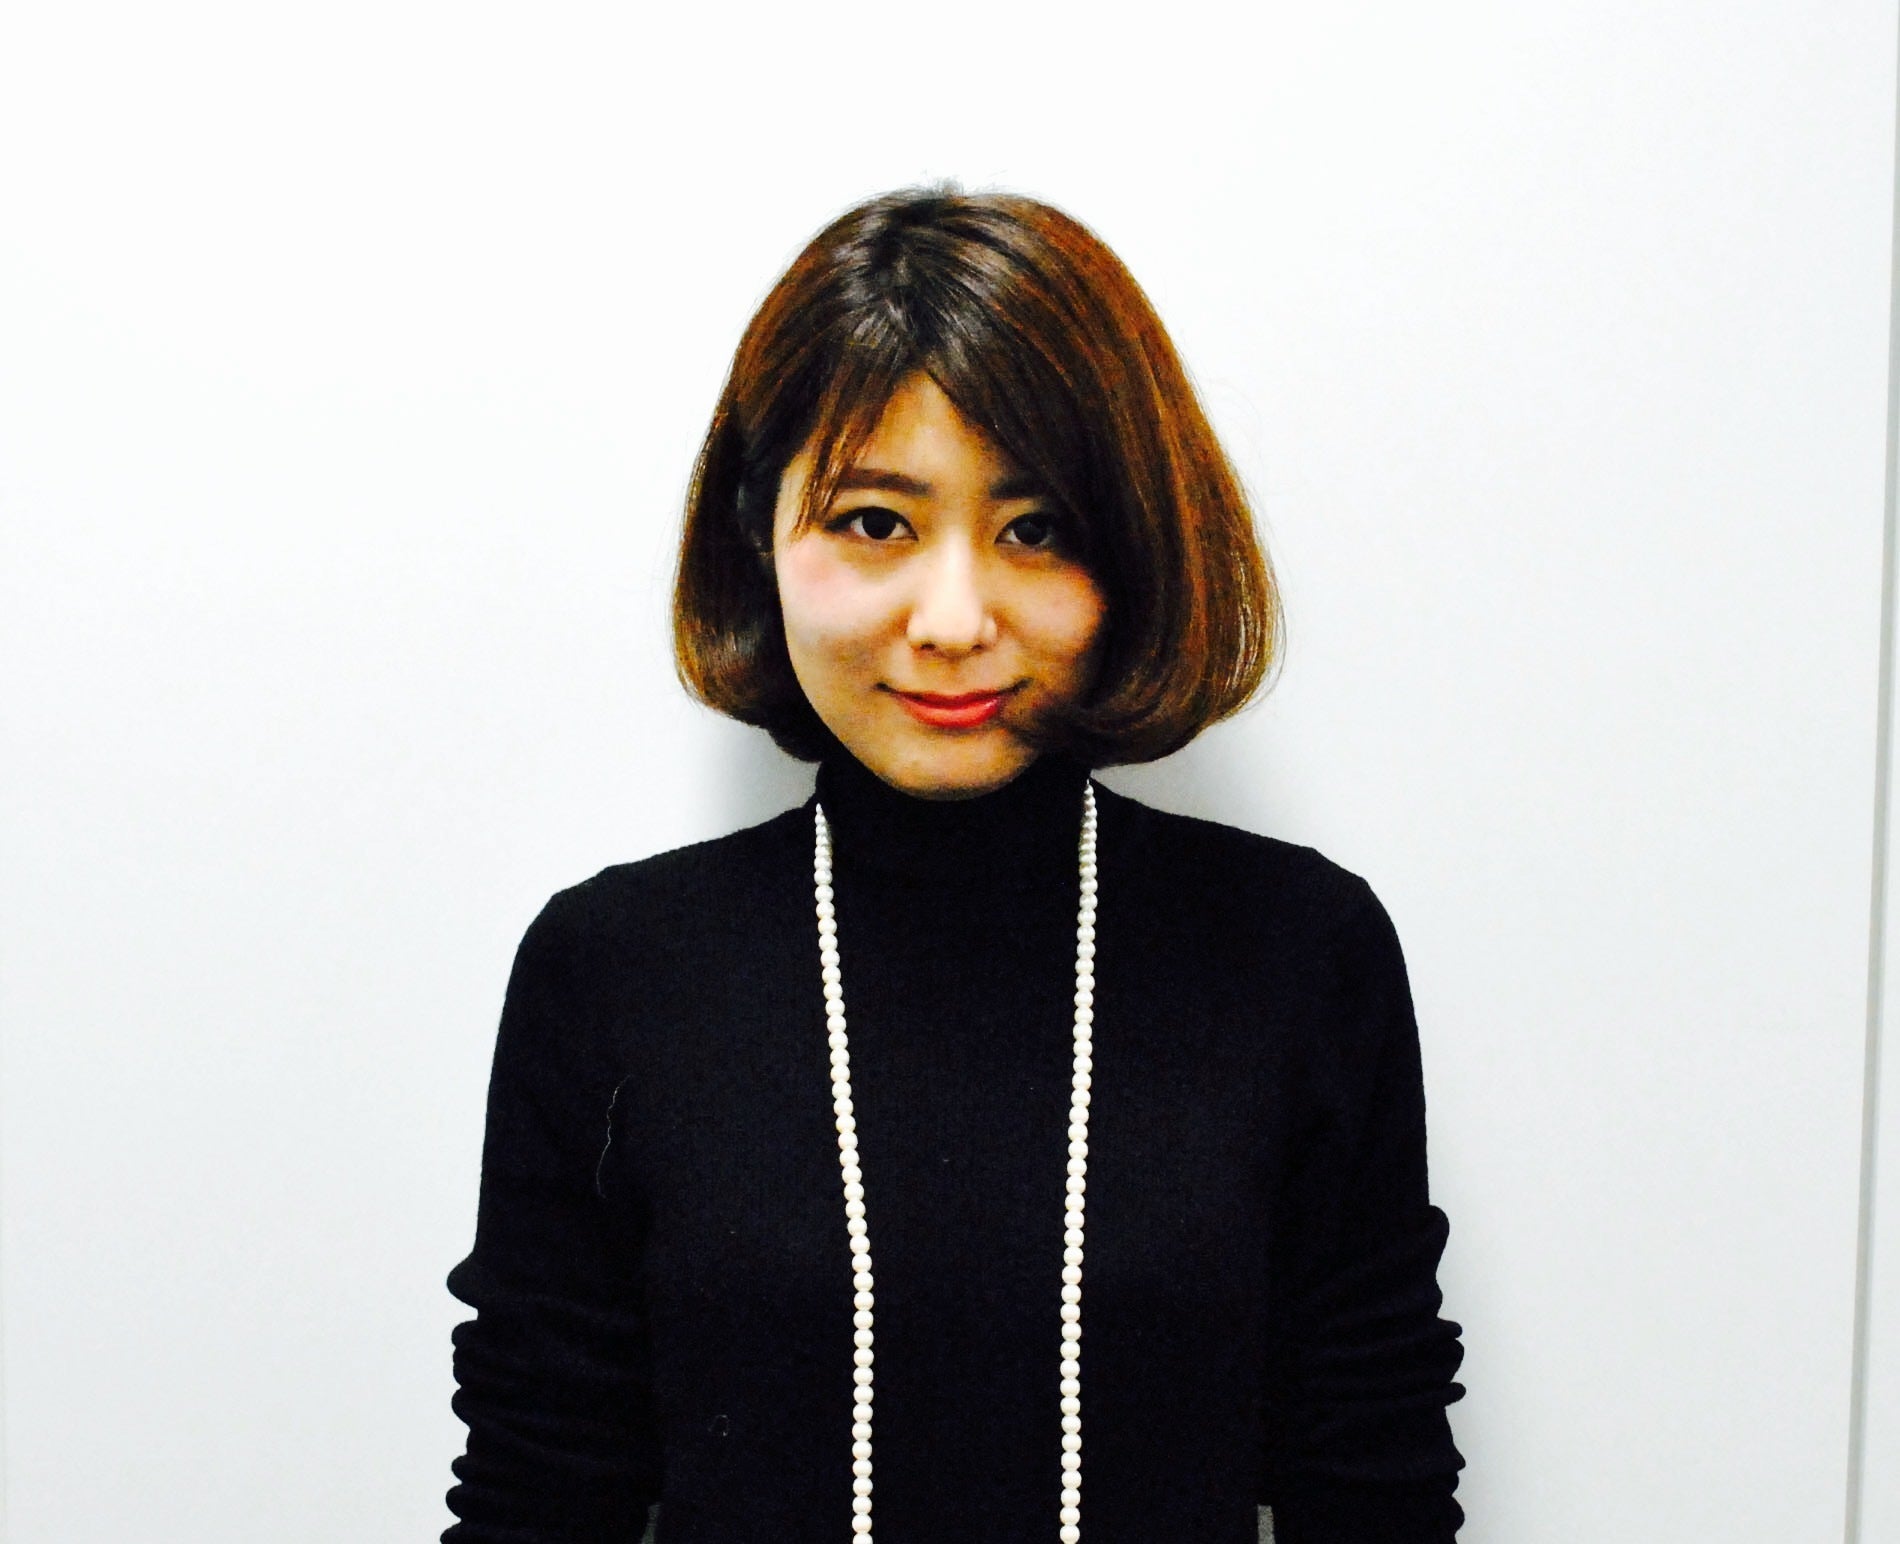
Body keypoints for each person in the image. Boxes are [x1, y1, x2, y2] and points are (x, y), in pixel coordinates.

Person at [442, 187, 1467, 1544]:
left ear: (1132, 553)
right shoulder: (615, 970)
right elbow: (537, 1498)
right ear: (760, 531)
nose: (952, 619)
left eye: (1036, 529)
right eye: (876, 522)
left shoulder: (1296, 951)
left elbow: (1377, 1488)